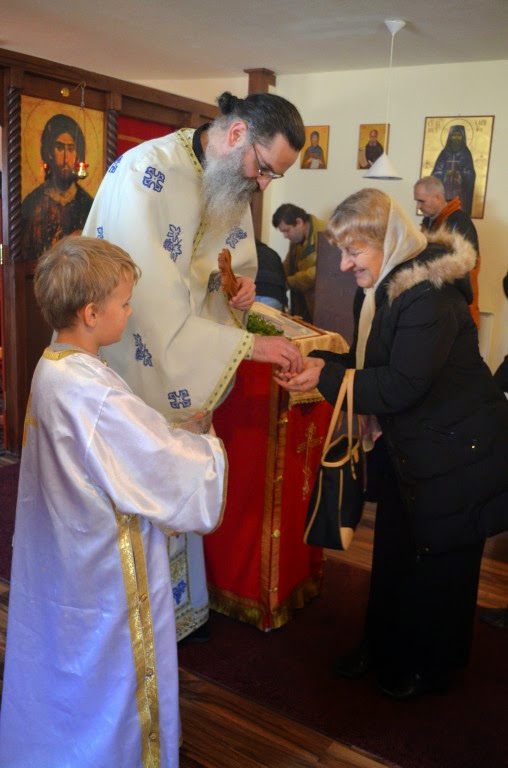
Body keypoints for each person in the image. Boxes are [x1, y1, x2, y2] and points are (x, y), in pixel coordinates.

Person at [82, 90, 305, 643]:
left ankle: (176, 608)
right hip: (135, 367)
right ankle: (138, 621)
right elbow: (150, 306)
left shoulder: (230, 180)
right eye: (265, 168)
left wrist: (240, 290)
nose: (264, 185)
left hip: (186, 361)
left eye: (273, 176)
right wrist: (247, 347)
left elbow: (226, 268)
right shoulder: (147, 173)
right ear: (237, 135)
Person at [0, 236, 227, 766]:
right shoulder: (91, 389)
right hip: (103, 569)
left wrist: (167, 433)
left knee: (65, 665)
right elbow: (157, 463)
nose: (129, 311)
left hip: (65, 556)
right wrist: (203, 442)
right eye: (124, 303)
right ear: (91, 313)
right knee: (107, 675)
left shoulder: (54, 364)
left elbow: (116, 444)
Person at [275, 188, 508, 700]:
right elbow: (372, 368)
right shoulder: (383, 286)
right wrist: (323, 366)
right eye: (342, 251)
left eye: (354, 251)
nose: (344, 264)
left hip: (457, 450)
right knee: (396, 554)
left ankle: (432, 667)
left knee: (442, 564)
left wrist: (325, 376)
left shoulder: (428, 296)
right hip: (416, 447)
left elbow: (401, 384)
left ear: (391, 241)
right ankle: (382, 645)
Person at [21, 113, 94, 260]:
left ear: (78, 154)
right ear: (49, 152)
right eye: (60, 148)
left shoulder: (88, 204)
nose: (66, 158)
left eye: (71, 149)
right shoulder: (32, 203)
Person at [414, 174, 480, 326]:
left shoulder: (459, 222)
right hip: (435, 301)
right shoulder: (429, 221)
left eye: (421, 201)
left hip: (455, 303)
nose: (418, 206)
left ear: (437, 197)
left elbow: (464, 269)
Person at [272, 203, 327, 323]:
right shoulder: (297, 238)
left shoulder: (326, 233)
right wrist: (276, 281)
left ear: (299, 222)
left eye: (287, 230)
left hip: (322, 305)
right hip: (303, 304)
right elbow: (288, 264)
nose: (285, 236)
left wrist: (289, 282)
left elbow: (320, 273)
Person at [431, 124, 476, 216]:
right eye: (454, 135)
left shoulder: (466, 154)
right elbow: (436, 173)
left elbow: (470, 174)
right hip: (445, 191)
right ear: (450, 137)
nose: (456, 138)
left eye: (459, 135)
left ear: (463, 137)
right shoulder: (444, 153)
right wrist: (444, 174)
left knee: (457, 216)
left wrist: (460, 175)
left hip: (459, 194)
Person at [254, 238, 288, 311]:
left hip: (254, 293)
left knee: (252, 318)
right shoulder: (273, 253)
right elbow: (283, 277)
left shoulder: (245, 254)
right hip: (276, 296)